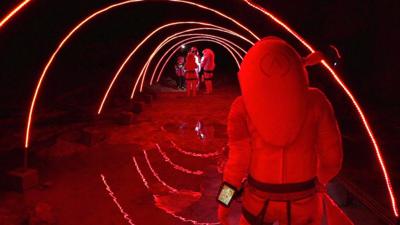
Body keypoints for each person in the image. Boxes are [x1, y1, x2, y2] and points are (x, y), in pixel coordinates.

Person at [217, 37, 351, 225]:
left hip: (258, 202)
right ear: (297, 69)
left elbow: (236, 164)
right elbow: (333, 159)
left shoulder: (242, 107)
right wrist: (317, 182)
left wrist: (223, 204)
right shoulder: (316, 101)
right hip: (305, 202)